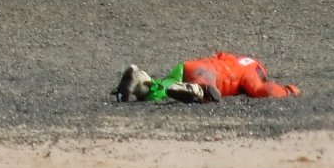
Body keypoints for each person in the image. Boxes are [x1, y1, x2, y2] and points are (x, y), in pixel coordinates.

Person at [112, 52, 301, 103]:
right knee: (205, 87)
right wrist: (287, 90)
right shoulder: (250, 71)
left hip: (187, 66)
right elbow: (262, 90)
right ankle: (195, 89)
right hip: (206, 73)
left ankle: (141, 80)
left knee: (163, 88)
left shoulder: (230, 58)